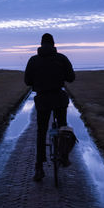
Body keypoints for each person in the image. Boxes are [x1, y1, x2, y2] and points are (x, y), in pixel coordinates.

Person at [24, 33, 75, 181]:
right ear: (53, 44)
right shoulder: (61, 58)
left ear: (41, 44)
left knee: (41, 132)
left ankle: (39, 167)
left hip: (42, 100)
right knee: (62, 127)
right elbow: (71, 77)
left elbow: (27, 81)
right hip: (59, 99)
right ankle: (64, 157)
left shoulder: (33, 60)